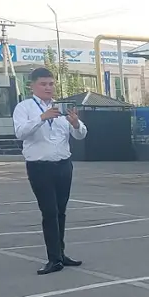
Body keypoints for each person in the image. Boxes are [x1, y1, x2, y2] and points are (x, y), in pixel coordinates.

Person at [12, 67, 88, 275]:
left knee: (61, 211)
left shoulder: (62, 108)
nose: (48, 87)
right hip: (40, 167)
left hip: (63, 165)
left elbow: (81, 135)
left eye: (51, 84)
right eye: (43, 84)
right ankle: (53, 258)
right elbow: (20, 133)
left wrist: (75, 124)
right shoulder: (25, 107)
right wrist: (42, 118)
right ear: (32, 86)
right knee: (49, 212)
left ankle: (61, 254)